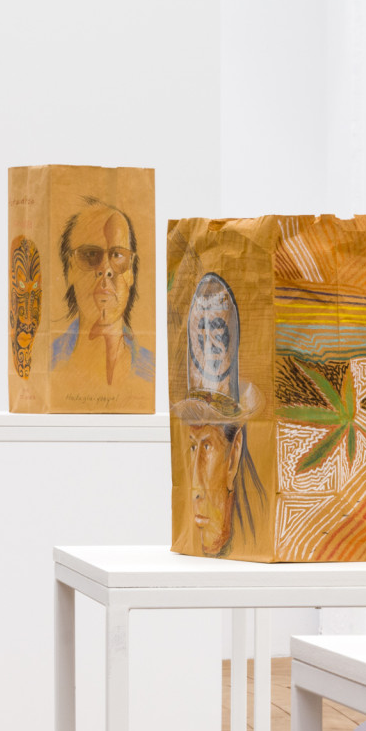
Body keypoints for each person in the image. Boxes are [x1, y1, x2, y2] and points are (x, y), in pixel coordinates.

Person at [173, 273, 265, 557]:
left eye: (208, 446)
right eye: (192, 446)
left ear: (234, 455)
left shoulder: (259, 525)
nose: (194, 488)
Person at [51, 198, 153, 388]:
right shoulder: (47, 363)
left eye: (117, 255)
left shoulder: (153, 371)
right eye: (90, 255)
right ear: (70, 268)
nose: (105, 268)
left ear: (130, 270)